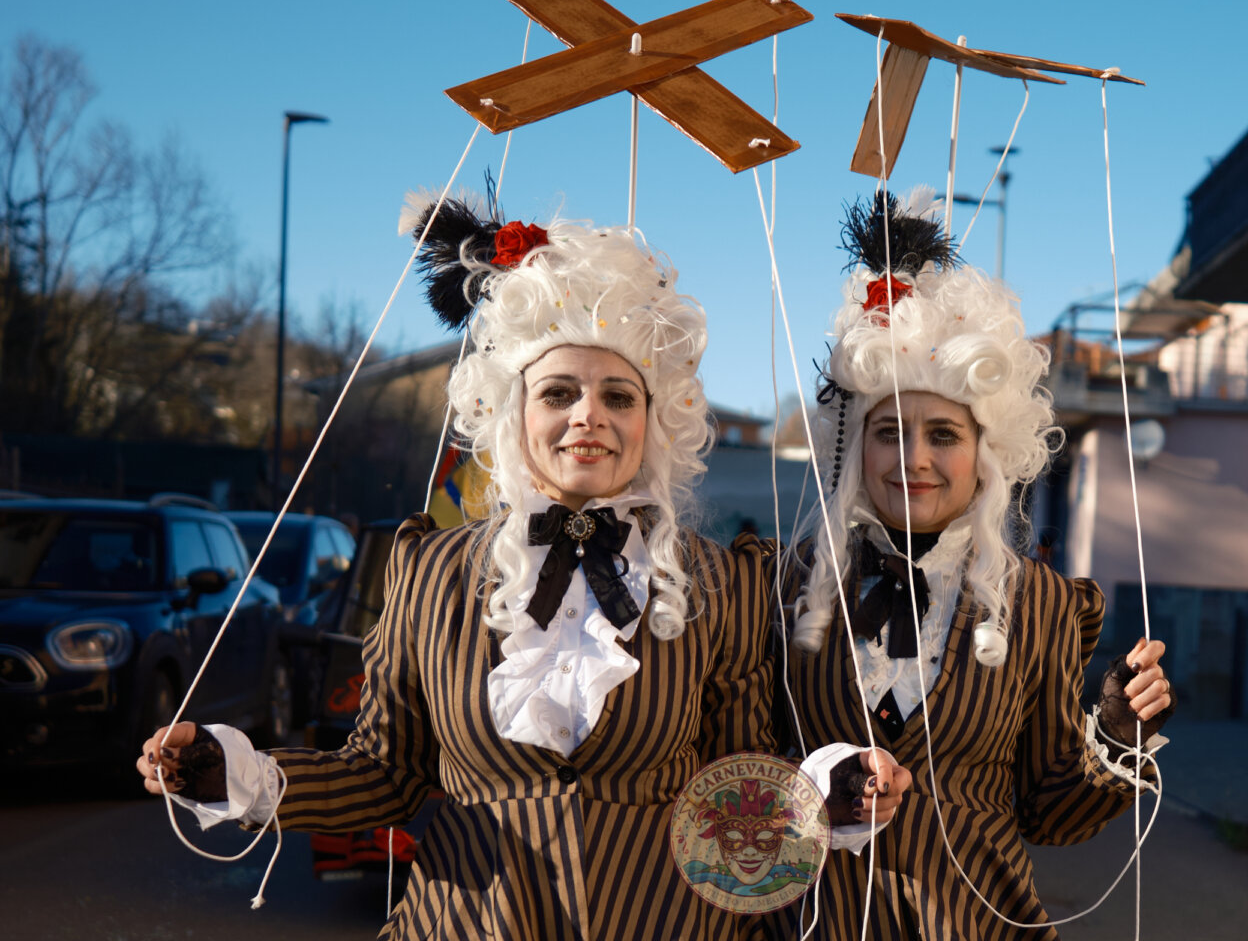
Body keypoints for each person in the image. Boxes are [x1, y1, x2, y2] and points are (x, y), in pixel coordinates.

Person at [138, 196, 901, 940]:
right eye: (559, 392)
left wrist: (828, 792)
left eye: (618, 396)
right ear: (515, 413)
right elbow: (382, 773)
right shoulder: (429, 573)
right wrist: (235, 773)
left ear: (653, 421)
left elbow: (740, 784)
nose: (587, 415)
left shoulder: (720, 584)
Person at [779, 191, 1176, 940]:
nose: (915, 459)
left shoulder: (1043, 605)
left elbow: (1050, 814)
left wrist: (1118, 731)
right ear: (854, 447)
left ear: (986, 454)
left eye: (943, 435)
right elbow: (730, 773)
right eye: (890, 432)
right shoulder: (779, 585)